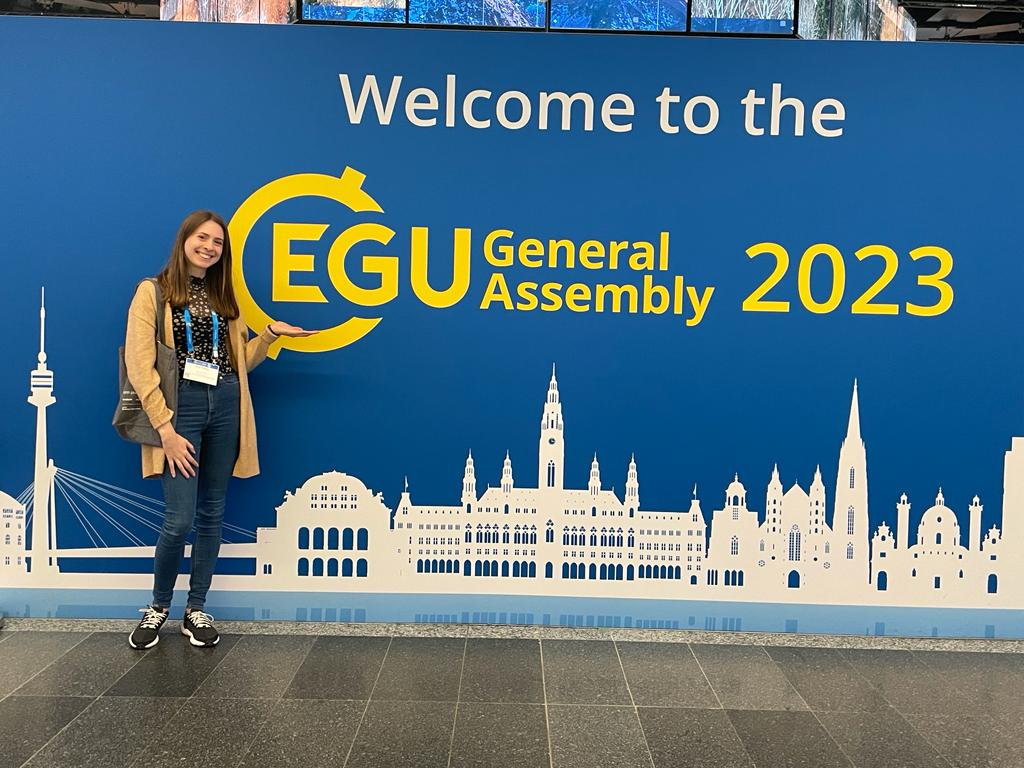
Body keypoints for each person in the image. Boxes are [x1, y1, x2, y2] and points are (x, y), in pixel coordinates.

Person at [124, 210, 314, 649]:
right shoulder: (151, 293)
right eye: (202, 238)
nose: (209, 247)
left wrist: (268, 335)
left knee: (212, 515)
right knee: (179, 519)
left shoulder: (223, 298)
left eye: (218, 242)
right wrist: (166, 429)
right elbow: (140, 366)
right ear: (184, 238)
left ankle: (196, 609)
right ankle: (157, 610)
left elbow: (238, 364)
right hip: (180, 409)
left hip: (226, 403)